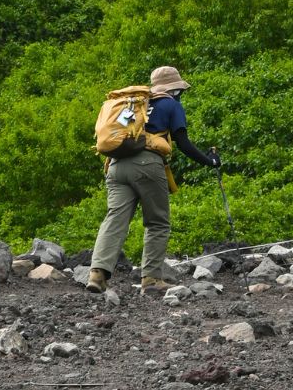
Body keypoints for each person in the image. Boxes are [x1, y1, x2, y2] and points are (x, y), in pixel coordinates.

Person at [86, 65, 220, 294]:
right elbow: (183, 143)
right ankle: (150, 280)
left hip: (116, 166)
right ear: (174, 89)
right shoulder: (171, 104)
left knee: (115, 219)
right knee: (157, 222)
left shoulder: (135, 103)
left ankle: (97, 275)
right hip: (147, 164)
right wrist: (210, 161)